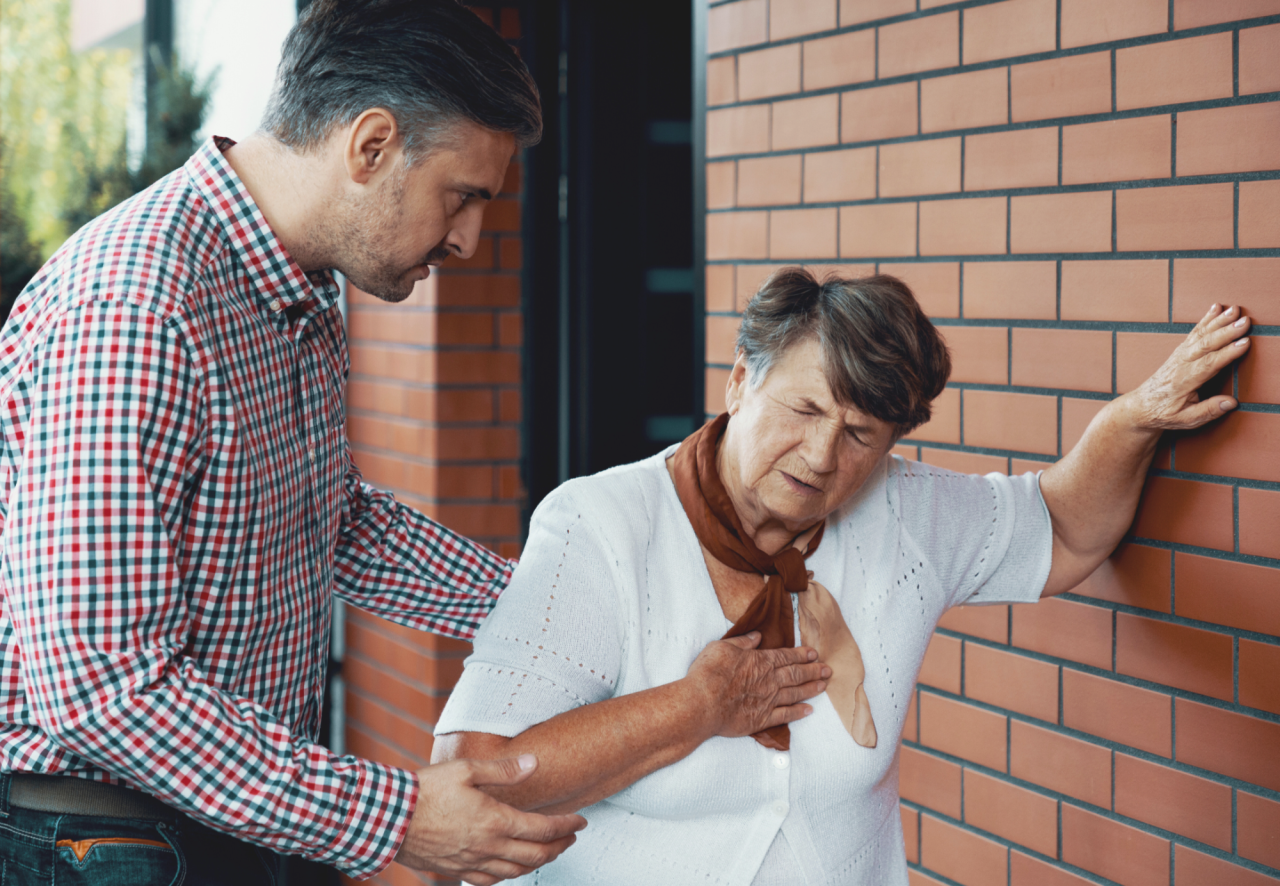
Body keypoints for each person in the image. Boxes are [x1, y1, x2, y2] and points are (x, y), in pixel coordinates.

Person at [0, 2, 827, 883]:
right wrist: (395, 817)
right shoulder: (137, 310)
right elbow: (100, 684)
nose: (469, 238)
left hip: (222, 820)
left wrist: (577, 613)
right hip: (100, 845)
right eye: (463, 195)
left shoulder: (298, 293)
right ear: (371, 146)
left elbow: (336, 522)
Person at [433, 267, 1252, 885]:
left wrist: (1131, 421)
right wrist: (698, 707)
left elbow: (1065, 528)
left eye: (863, 434)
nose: (825, 457)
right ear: (739, 381)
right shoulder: (601, 525)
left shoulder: (906, 514)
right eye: (805, 410)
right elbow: (478, 775)